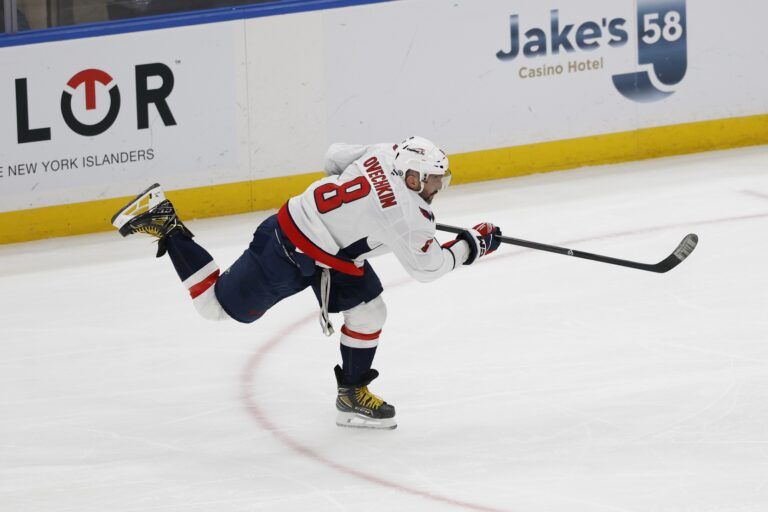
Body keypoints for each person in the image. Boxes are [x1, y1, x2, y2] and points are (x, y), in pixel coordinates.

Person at [111, 136, 502, 429]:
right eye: (432, 181)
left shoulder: (386, 152)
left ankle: (351, 394)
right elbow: (429, 268)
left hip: (333, 257)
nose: (437, 190)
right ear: (412, 176)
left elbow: (334, 157)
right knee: (215, 306)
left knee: (370, 312)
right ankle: (166, 223)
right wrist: (474, 244)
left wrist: (361, 207)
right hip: (285, 248)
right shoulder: (408, 215)